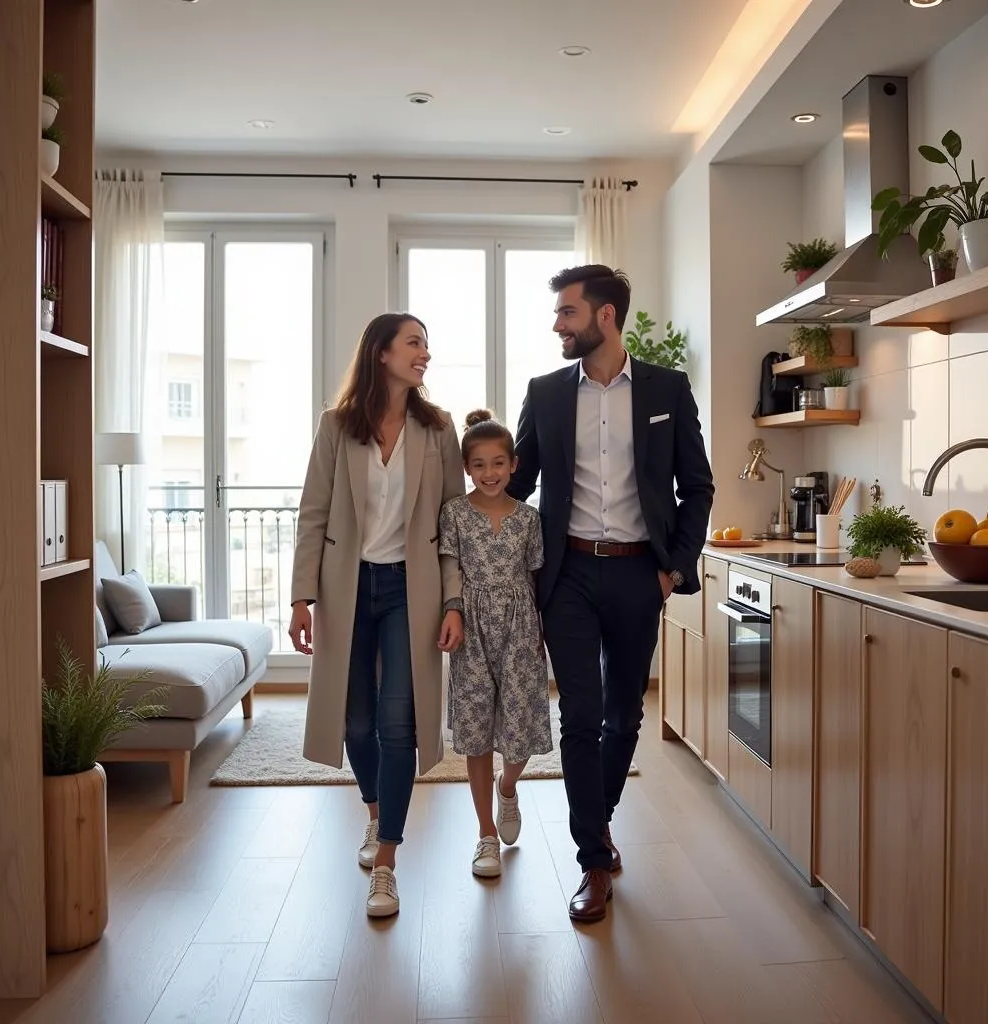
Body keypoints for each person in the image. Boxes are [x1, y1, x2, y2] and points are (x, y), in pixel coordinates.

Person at [507, 264, 714, 923]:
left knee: (626, 715)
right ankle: (593, 860)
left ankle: (600, 819)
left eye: (566, 312)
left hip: (636, 574)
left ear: (604, 316)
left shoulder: (667, 389)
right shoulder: (544, 392)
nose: (557, 325)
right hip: (566, 575)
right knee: (581, 716)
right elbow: (515, 486)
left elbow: (697, 485)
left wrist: (674, 566)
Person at [288, 312, 465, 919]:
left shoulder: (437, 429)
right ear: (382, 353)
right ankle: (374, 812)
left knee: (399, 725)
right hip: (346, 589)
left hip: (407, 591)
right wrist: (300, 598)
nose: (425, 354)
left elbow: (451, 528)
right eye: (415, 343)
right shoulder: (337, 426)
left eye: (426, 343)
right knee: (354, 723)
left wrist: (453, 600)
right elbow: (314, 512)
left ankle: (386, 861)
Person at [438, 409, 552, 879]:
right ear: (467, 467)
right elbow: (451, 569)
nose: (490, 473)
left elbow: (536, 575)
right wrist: (454, 613)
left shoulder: (529, 518)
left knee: (520, 729)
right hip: (472, 630)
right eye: (480, 464)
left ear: (514, 464)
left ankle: (509, 787)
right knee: (476, 732)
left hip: (522, 627)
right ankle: (485, 833)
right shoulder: (455, 514)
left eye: (498, 463)